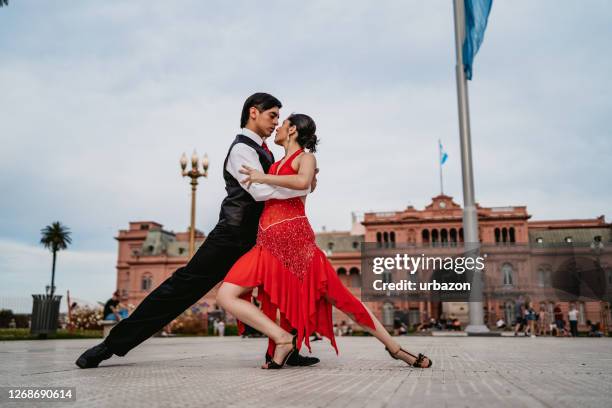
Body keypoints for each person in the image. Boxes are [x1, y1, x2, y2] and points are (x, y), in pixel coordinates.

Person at [76, 93, 319, 369]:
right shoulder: (241, 149)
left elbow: (285, 186)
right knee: (183, 287)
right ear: (254, 112)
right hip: (232, 236)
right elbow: (260, 191)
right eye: (272, 115)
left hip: (260, 236)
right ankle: (110, 346)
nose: (276, 123)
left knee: (284, 287)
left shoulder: (267, 152)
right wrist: (301, 183)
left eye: (279, 117)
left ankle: (291, 348)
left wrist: (304, 182)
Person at [217, 113, 432, 369]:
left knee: (344, 300)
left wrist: (263, 177)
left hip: (297, 245)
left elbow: (303, 181)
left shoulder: (306, 158)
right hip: (267, 243)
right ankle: (282, 339)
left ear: (293, 130)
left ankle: (397, 350)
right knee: (228, 295)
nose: (277, 128)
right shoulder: (275, 164)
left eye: (282, 124)